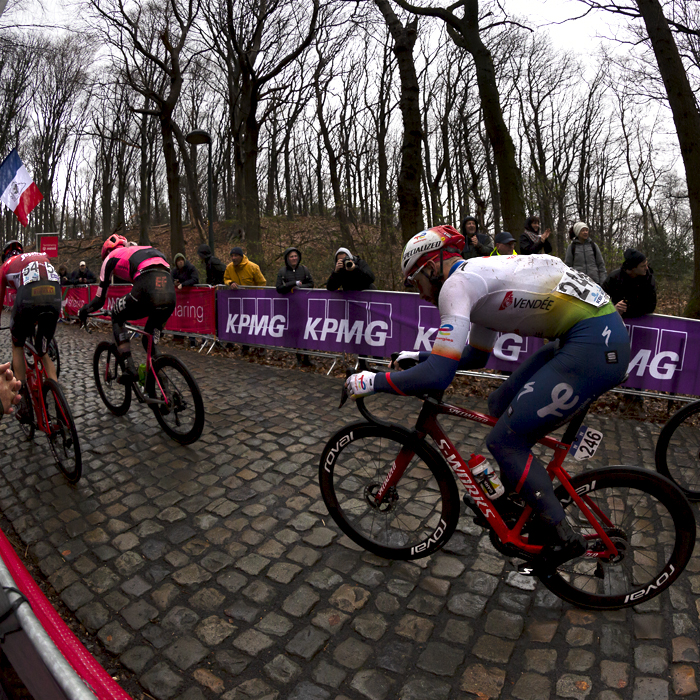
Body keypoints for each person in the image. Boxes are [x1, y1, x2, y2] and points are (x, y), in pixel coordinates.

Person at [345, 225, 630, 569]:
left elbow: (438, 375)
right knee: (498, 405)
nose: (418, 293)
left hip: (594, 345)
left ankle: (563, 537)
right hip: (586, 336)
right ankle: (518, 500)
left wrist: (371, 381)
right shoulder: (478, 278)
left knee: (506, 441)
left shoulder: (457, 286)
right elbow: (476, 356)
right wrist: (417, 357)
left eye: (414, 281)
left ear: (431, 268)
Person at [78, 235, 176, 381]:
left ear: (106, 252)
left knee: (116, 315)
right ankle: (162, 381)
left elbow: (99, 300)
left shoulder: (110, 258)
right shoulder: (138, 249)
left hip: (146, 285)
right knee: (148, 341)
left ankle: (129, 367)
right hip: (169, 291)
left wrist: (84, 310)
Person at [0, 240, 62, 416]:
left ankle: (23, 399)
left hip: (28, 296)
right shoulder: (40, 255)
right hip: (54, 293)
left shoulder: (5, 266)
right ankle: (59, 403)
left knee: (17, 344)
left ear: (5, 256)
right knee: (42, 352)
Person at [276, 247, 314, 367]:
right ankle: (298, 357)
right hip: (289, 307)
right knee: (294, 332)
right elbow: (279, 288)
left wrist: (300, 288)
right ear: (287, 258)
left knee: (305, 332)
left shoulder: (304, 269)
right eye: (291, 256)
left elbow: (311, 284)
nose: (294, 258)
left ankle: (306, 357)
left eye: (295, 256)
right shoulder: (282, 271)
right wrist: (293, 284)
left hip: (303, 306)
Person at [603, 249, 657, 318]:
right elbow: (600, 300)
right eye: (643, 266)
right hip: (617, 319)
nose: (646, 268)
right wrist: (613, 308)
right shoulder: (614, 277)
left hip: (640, 320)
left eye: (646, 264)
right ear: (633, 268)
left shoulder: (648, 279)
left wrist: (629, 308)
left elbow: (651, 305)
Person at [172, 252, 200, 348]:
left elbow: (195, 279)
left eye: (181, 260)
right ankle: (178, 337)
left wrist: (183, 284)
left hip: (191, 297)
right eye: (178, 261)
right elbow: (170, 278)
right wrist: (174, 282)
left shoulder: (191, 268)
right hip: (180, 299)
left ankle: (192, 340)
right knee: (181, 317)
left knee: (191, 318)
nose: (180, 262)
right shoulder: (175, 271)